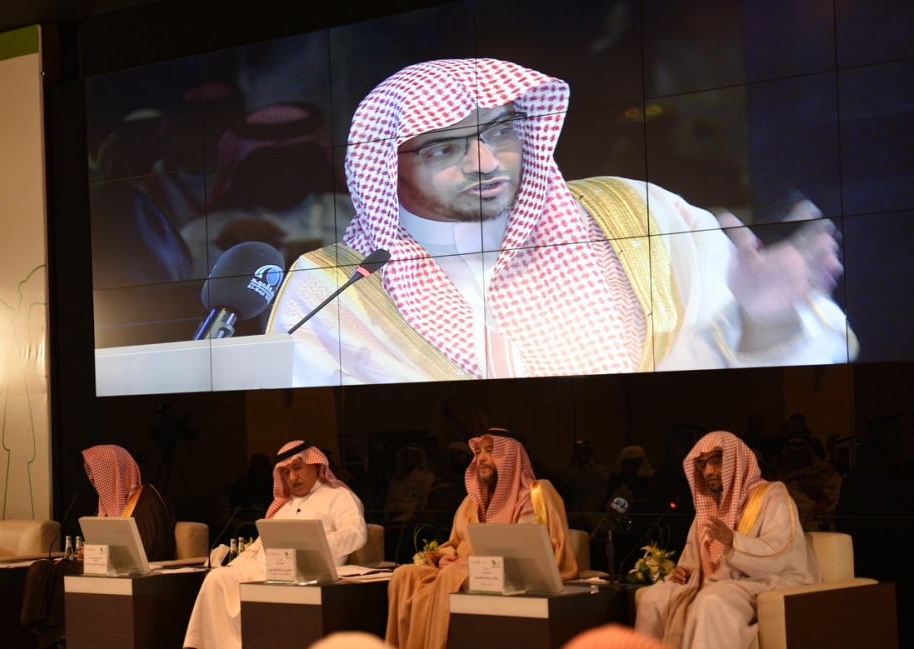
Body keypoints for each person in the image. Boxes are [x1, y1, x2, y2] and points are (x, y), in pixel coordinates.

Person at [267, 58, 855, 387]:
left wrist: (769, 322)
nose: (485, 162)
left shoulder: (636, 213)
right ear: (385, 170)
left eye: (501, 131)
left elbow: (807, 355)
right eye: (445, 148)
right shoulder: (333, 289)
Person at [386, 432, 577, 649]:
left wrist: (472, 563)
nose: (480, 459)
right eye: (477, 453)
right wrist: (442, 558)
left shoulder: (533, 495)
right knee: (404, 574)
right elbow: (454, 544)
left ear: (509, 456)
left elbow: (529, 551)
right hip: (468, 570)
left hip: (512, 573)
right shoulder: (472, 501)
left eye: (490, 451)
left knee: (452, 575)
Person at [634, 431, 819, 649]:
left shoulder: (772, 495)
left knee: (710, 601)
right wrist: (684, 571)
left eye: (716, 461)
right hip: (720, 581)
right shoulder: (709, 506)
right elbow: (694, 558)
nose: (708, 472)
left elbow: (777, 553)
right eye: (702, 465)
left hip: (767, 580)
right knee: (653, 599)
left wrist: (733, 541)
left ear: (735, 461)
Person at [183, 441, 367, 649]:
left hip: (309, 572)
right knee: (217, 578)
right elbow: (261, 543)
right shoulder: (285, 505)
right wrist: (235, 565)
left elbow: (357, 533)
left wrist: (316, 543)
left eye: (297, 468)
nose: (292, 478)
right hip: (270, 568)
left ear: (316, 465)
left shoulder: (338, 496)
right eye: (286, 472)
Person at [21, 444, 175, 647]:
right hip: (105, 568)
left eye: (97, 471)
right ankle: (44, 635)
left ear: (115, 470)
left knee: (70, 572)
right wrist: (87, 552)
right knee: (41, 568)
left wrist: (102, 554)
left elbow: (153, 548)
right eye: (91, 473)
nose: (93, 478)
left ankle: (64, 635)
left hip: (136, 572)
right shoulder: (106, 505)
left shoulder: (147, 500)